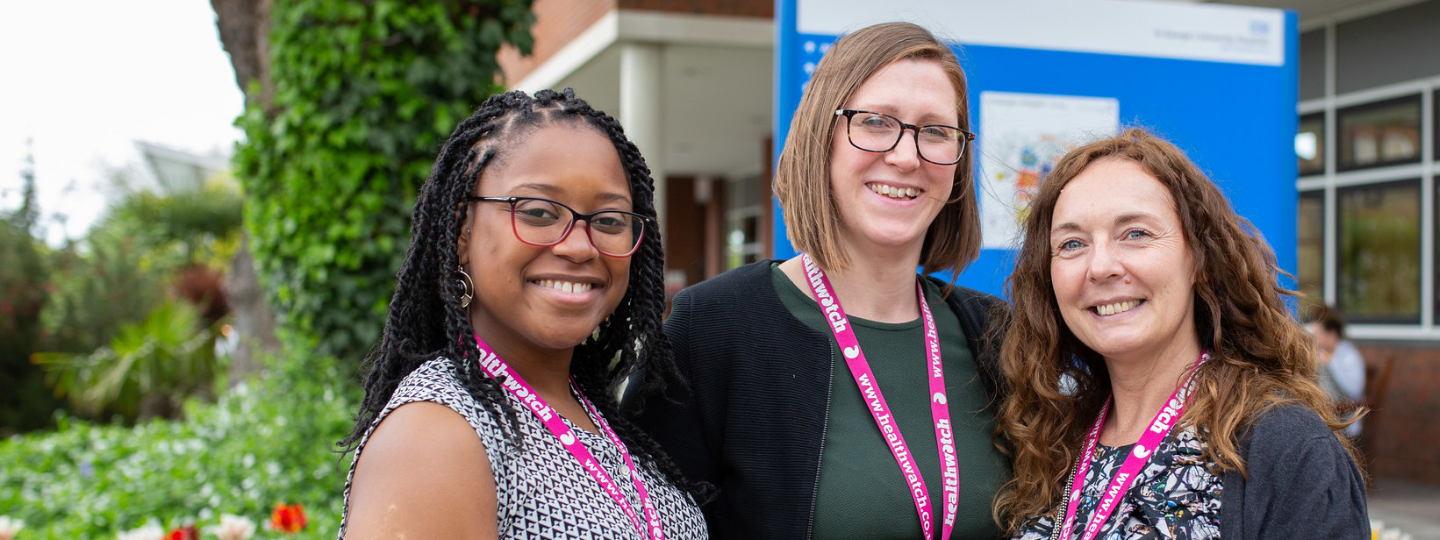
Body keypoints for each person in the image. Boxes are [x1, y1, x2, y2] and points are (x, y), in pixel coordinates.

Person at [628, 22, 1009, 540]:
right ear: (821, 139)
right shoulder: (715, 329)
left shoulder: (997, 335)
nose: (906, 155)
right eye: (876, 122)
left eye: (936, 131)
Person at [337, 89, 707, 540]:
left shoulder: (596, 414)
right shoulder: (435, 434)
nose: (577, 245)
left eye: (609, 220)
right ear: (460, 231)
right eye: (537, 212)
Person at [994, 128, 1367, 540]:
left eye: (1135, 233)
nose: (1099, 267)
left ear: (1201, 260)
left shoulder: (1286, 448)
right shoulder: (1054, 441)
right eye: (1072, 243)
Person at [1306, 304, 1366, 438]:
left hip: (1345, 423)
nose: (1314, 339)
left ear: (1332, 334)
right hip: (1322, 419)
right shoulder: (1319, 354)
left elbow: (1354, 391)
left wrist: (1331, 364)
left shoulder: (1349, 356)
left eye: (1317, 334)